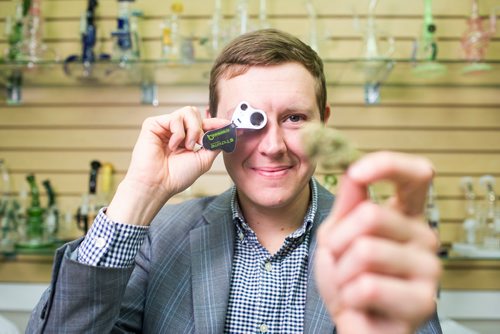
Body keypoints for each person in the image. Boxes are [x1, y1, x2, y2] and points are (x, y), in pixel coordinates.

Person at [27, 29, 442, 333]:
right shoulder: (161, 240)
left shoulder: (373, 240)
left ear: (324, 121)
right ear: (215, 124)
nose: (273, 146)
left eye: (295, 118)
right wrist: (139, 194)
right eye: (252, 120)